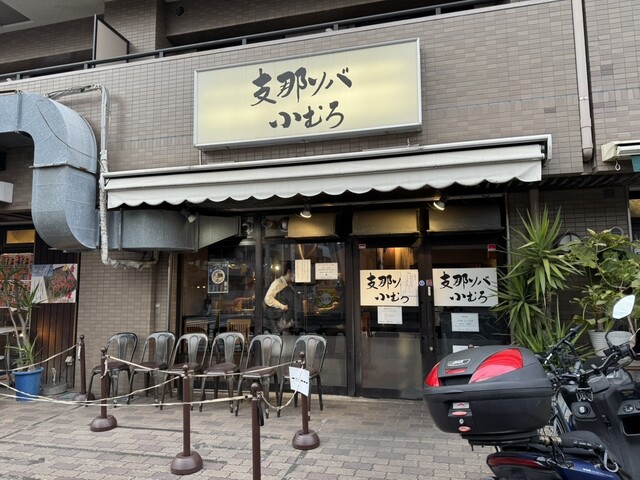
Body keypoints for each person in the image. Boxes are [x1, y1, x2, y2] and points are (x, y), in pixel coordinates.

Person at [263, 265, 295, 333]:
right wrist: (282, 306)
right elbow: (268, 298)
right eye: (294, 273)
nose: (294, 276)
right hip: (276, 319)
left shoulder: (287, 284)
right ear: (288, 272)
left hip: (282, 319)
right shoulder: (278, 283)